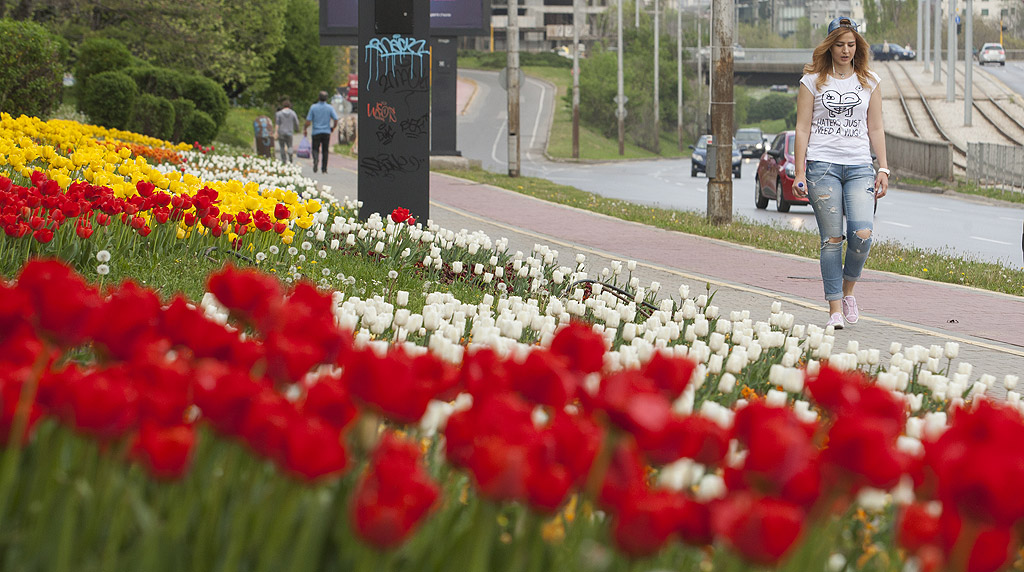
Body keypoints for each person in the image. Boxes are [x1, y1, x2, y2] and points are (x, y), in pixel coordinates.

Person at [792, 16, 890, 330]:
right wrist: (799, 172)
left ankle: (848, 291)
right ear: (829, 46)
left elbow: (875, 127)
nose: (845, 50)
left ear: (857, 46)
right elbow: (802, 129)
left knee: (862, 235)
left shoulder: (869, 81)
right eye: (839, 44)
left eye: (851, 44)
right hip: (822, 166)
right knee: (832, 239)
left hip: (860, 166)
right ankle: (834, 307)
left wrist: (883, 167)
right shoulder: (812, 81)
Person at [304, 91, 339, 174]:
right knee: (325, 150)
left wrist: (305, 128)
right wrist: (333, 127)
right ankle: (324, 169)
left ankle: (316, 160)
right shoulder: (330, 108)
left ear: (318, 98)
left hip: (316, 132)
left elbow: (308, 121)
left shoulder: (313, 107)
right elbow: (336, 119)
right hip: (326, 131)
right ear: (327, 98)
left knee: (315, 149)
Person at [274, 98, 301, 163]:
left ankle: (284, 160)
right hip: (289, 132)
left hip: (281, 132)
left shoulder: (279, 114)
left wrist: (276, 132)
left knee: (282, 147)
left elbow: (277, 124)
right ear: (290, 106)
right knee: (290, 145)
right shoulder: (293, 113)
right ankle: (290, 155)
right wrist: (297, 129)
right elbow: (296, 122)